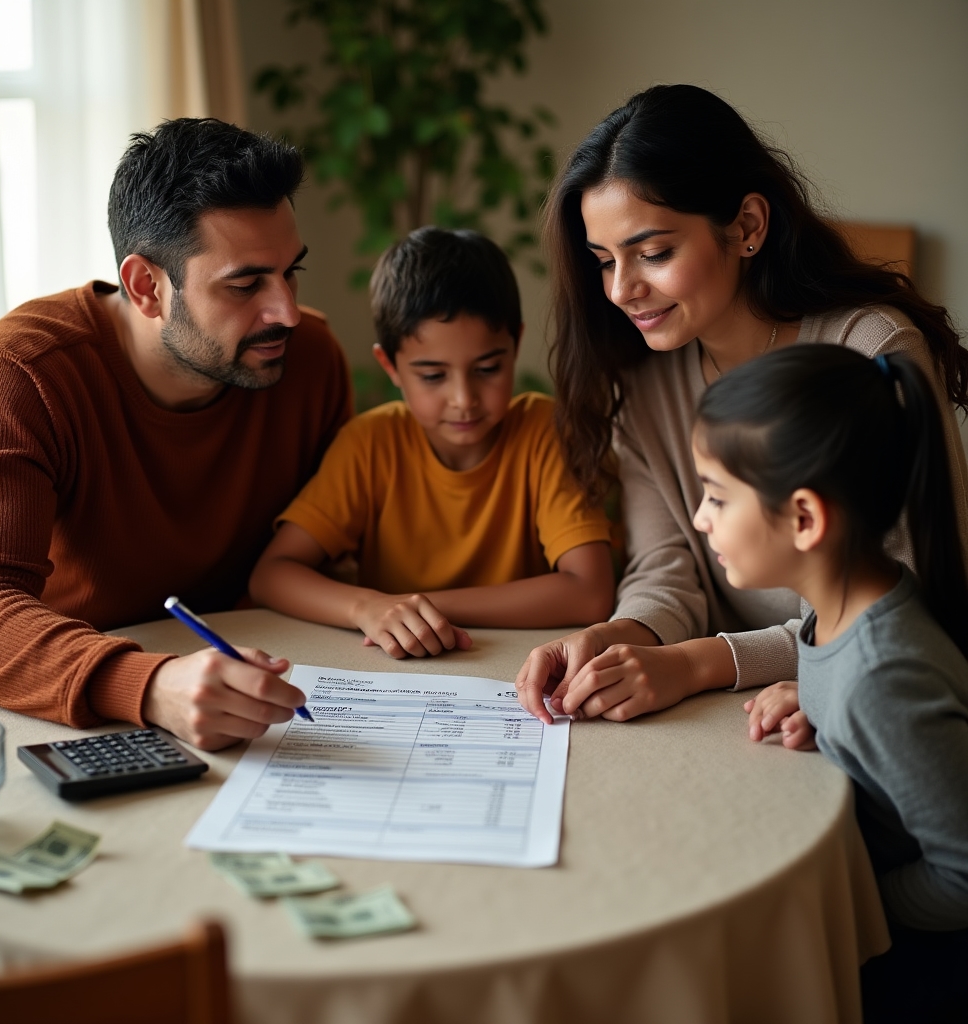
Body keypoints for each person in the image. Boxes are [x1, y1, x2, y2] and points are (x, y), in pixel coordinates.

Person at [515, 83, 968, 725]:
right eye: (603, 261)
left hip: (867, 703)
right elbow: (665, 566)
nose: (622, 290)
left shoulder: (869, 351)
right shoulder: (641, 379)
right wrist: (625, 635)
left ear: (747, 226)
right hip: (731, 716)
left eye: (653, 254)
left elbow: (910, 594)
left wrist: (702, 663)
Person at [0, 118, 353, 750]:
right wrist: (151, 685)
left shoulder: (312, 358)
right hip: (61, 716)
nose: (287, 312)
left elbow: (338, 553)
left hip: (253, 697)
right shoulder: (20, 375)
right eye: (246, 284)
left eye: (290, 272)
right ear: (147, 287)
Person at [695, 345, 968, 1023]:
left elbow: (963, 879)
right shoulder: (846, 607)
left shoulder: (882, 676)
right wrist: (814, 698)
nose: (702, 519)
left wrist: (847, 897)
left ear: (807, 519)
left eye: (718, 497)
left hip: (917, 977)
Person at [249, 227, 614, 657]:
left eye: (487, 369)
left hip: (516, 665)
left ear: (514, 345)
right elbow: (271, 575)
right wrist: (367, 607)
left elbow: (590, 591)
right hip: (397, 669)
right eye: (433, 376)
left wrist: (416, 609)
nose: (463, 399)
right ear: (391, 367)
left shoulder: (544, 432)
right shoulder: (369, 444)